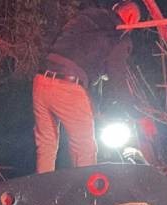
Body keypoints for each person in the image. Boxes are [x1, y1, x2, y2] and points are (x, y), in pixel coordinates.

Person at [32, 0, 140, 173]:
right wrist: (133, 111)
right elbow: (117, 75)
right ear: (131, 18)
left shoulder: (86, 17)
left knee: (46, 144)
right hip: (68, 86)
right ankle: (86, 189)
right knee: (84, 148)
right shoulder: (118, 34)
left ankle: (43, 187)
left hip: (41, 81)